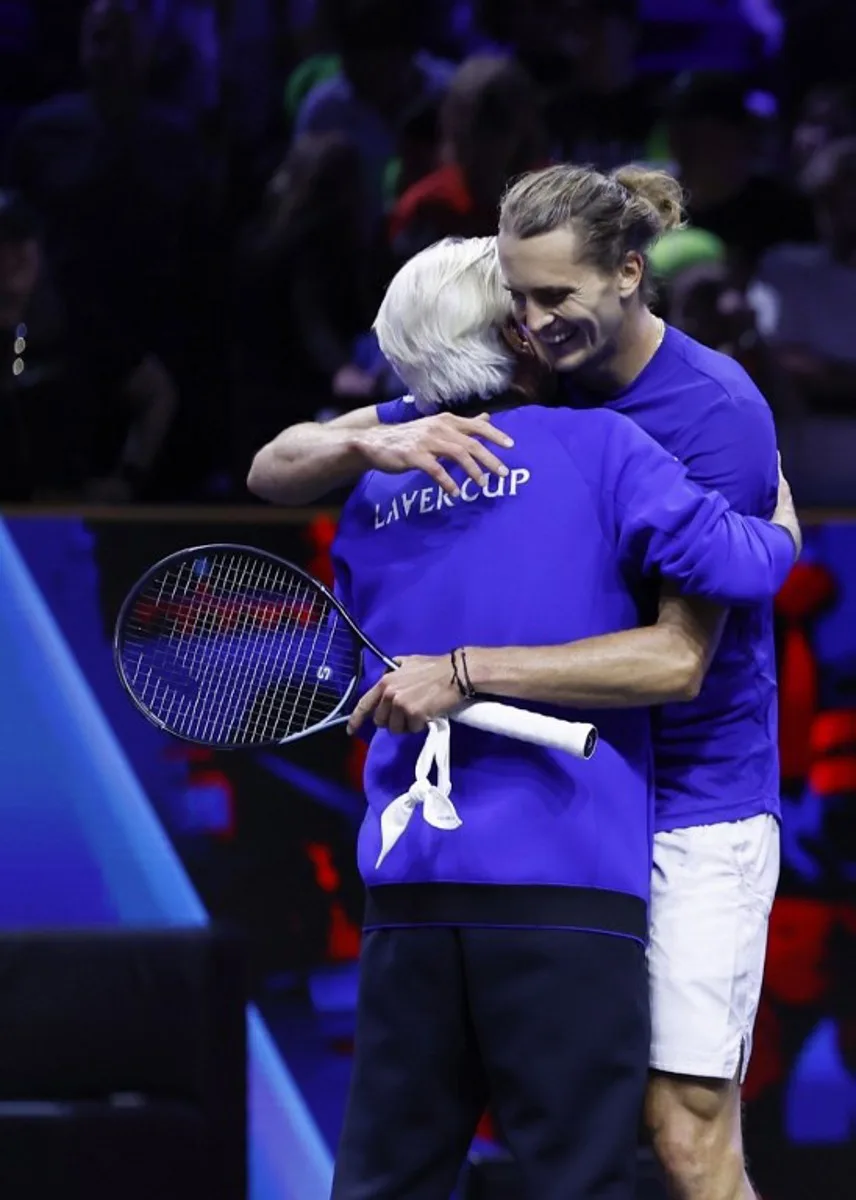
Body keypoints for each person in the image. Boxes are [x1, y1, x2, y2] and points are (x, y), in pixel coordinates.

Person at [250, 164, 789, 1200]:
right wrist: (367, 435)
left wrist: (456, 669)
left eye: (552, 299)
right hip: (562, 848)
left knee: (678, 1133)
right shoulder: (477, 446)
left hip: (683, 800)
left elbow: (683, 662)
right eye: (516, 301)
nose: (537, 325)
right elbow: (746, 562)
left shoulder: (698, 411)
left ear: (629, 276)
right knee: (576, 1165)